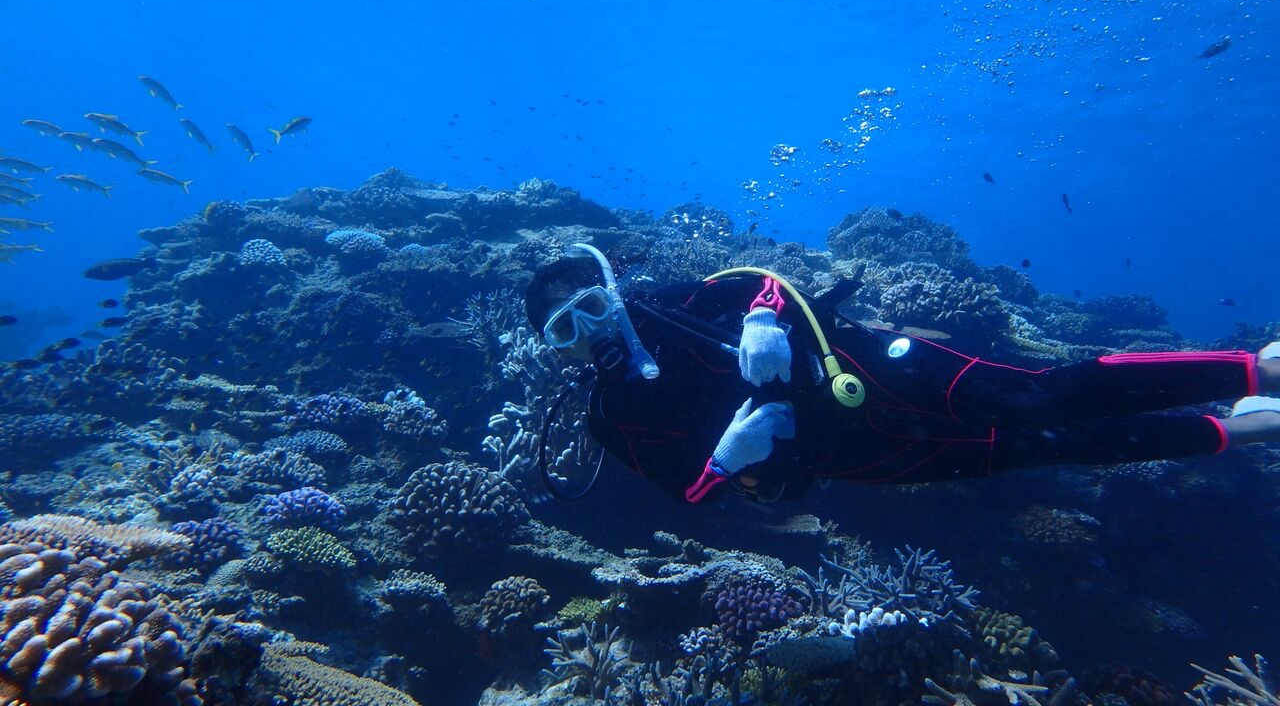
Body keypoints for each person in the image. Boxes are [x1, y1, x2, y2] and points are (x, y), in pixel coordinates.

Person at [524, 244, 1280, 504]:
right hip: (861, 455)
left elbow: (764, 282)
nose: (591, 334)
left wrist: (762, 320)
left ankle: (1255, 366)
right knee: (1050, 448)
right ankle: (1230, 431)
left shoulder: (671, 304)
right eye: (566, 331)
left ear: (611, 292)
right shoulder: (608, 418)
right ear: (557, 350)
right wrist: (727, 463)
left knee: (1034, 397)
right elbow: (688, 493)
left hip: (863, 370)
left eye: (591, 309)